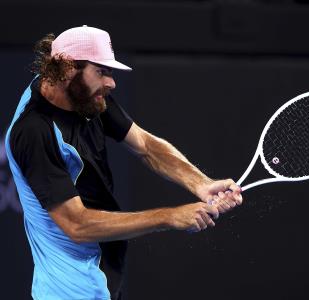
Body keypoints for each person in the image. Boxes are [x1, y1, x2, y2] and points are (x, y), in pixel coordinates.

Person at [5, 25, 243, 300]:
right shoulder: (35, 132)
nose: (111, 83)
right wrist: (170, 216)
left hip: (100, 277)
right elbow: (77, 225)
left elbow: (144, 145)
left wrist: (201, 183)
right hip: (72, 290)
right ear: (68, 67)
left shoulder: (79, 93)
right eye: (101, 71)